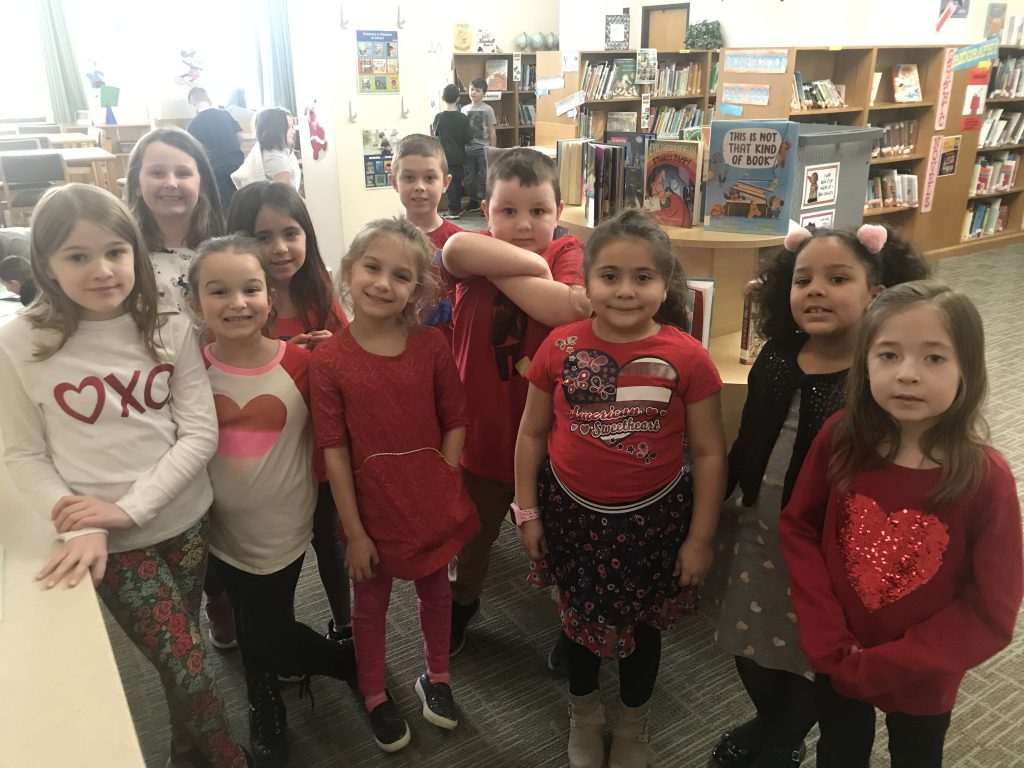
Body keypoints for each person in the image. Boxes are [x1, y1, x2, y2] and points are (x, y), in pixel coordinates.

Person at [0, 184, 247, 768]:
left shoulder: (167, 324)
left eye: (115, 251)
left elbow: (198, 433)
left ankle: (183, 752)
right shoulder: (20, 343)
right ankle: (226, 758)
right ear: (46, 265)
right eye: (78, 256)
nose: (102, 270)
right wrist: (83, 519)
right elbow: (20, 454)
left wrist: (134, 505)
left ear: (135, 252)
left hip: (186, 520)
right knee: (187, 663)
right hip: (108, 541)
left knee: (178, 653)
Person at [705, 223, 929, 768]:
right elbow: (749, 434)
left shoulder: (881, 375)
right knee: (750, 635)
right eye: (802, 279)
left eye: (837, 278)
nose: (816, 290)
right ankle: (768, 718)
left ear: (879, 294)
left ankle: (786, 738)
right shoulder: (778, 354)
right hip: (756, 524)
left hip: (830, 545)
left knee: (810, 650)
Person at [514, 208, 727, 768]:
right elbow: (531, 435)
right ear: (585, 282)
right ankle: (584, 716)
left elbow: (708, 453)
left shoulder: (689, 358)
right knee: (578, 626)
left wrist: (700, 540)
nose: (625, 291)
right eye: (609, 276)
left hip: (651, 522)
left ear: (665, 285)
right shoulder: (559, 348)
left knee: (643, 628)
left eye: (642, 277)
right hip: (571, 516)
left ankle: (633, 724)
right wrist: (526, 512)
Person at [780, 281, 1023, 768]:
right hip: (839, 655)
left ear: (967, 370)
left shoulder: (984, 479)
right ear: (865, 361)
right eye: (888, 355)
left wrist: (885, 665)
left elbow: (992, 608)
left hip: (924, 672)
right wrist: (829, 642)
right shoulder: (841, 439)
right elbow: (800, 528)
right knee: (839, 751)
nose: (908, 375)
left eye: (934, 359)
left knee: (917, 755)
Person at [310, 218, 479, 752]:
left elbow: (455, 419)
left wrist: (443, 482)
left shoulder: (430, 346)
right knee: (370, 603)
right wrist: (355, 533)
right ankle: (373, 692)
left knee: (435, 593)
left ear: (417, 288)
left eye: (400, 275)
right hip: (371, 510)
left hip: (429, 501)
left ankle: (438, 677)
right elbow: (333, 450)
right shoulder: (330, 359)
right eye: (372, 268)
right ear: (348, 271)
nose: (383, 283)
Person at [188, 235, 357, 766]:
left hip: (282, 525)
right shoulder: (189, 370)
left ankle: (343, 664)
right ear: (195, 303)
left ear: (270, 299)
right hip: (216, 526)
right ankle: (266, 696)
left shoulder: (302, 366)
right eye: (219, 292)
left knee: (268, 626)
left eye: (250, 289)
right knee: (249, 617)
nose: (237, 303)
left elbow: (339, 434)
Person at [440, 148, 591, 656]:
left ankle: (573, 624)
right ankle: (462, 605)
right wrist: (531, 268)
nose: (523, 224)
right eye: (508, 212)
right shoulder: (473, 246)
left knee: (560, 542)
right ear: (486, 210)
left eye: (537, 212)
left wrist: (501, 269)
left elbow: (570, 310)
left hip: (552, 446)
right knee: (470, 538)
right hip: (479, 438)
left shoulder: (568, 253)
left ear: (559, 211)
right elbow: (455, 252)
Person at [225, 181, 352, 645]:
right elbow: (226, 368)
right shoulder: (239, 306)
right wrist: (280, 355)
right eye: (262, 236)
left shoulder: (318, 291)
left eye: (291, 233)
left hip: (320, 448)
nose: (279, 248)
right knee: (273, 552)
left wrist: (335, 349)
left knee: (329, 539)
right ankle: (271, 633)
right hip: (266, 455)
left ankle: (344, 625)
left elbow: (351, 356)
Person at [125, 127, 235, 647]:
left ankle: (233, 592)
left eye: (183, 172)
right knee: (186, 501)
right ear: (138, 181)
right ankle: (213, 596)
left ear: (201, 181)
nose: (171, 183)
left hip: (226, 388)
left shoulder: (220, 246)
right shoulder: (124, 254)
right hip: (158, 401)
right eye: (158, 172)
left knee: (231, 499)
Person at [391, 133, 462, 341]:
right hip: (399, 345)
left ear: (446, 183)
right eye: (409, 177)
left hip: (451, 349)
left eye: (430, 178)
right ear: (394, 182)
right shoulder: (383, 242)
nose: (419, 186)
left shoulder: (461, 242)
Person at [186, 87, 245, 211]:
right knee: (242, 202)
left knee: (224, 208)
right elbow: (240, 136)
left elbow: (194, 153)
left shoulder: (193, 124)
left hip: (215, 169)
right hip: (237, 165)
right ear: (208, 99)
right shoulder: (225, 113)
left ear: (193, 104)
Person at [432, 84, 473, 220]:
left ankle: (453, 210)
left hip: (444, 155)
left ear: (443, 98)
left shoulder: (439, 117)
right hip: (459, 155)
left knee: (449, 183)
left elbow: (435, 135)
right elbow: (468, 138)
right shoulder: (463, 118)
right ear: (458, 99)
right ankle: (456, 209)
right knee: (456, 181)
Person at [234, 107, 301, 191]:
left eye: (292, 127)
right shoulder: (274, 157)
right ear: (275, 130)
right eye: (288, 127)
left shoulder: (276, 152)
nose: (293, 131)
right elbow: (285, 195)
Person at [461, 77, 497, 213]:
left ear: (483, 93)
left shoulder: (488, 109)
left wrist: (492, 150)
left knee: (484, 178)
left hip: (483, 149)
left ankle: (487, 204)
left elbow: (492, 131)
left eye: (477, 90)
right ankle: (473, 201)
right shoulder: (464, 109)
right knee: (469, 179)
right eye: (471, 89)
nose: (473, 93)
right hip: (468, 149)